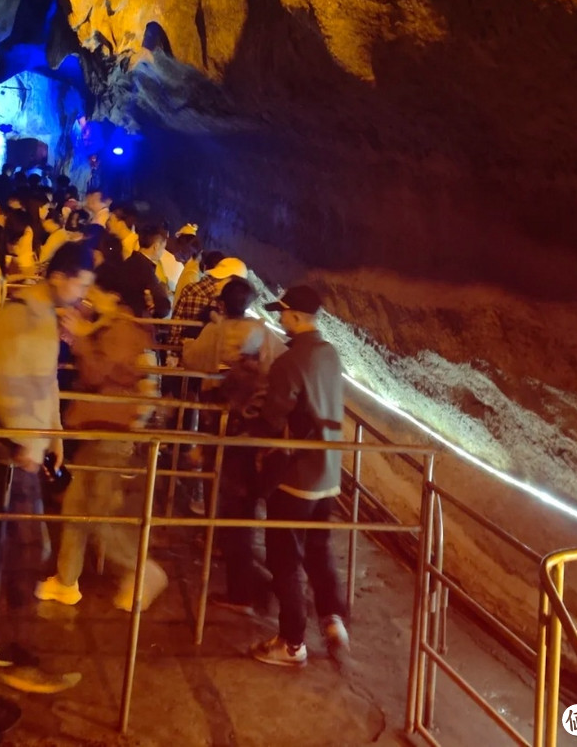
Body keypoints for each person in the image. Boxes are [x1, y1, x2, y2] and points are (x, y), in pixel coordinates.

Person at [0, 242, 96, 689]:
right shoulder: (19, 314)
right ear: (60, 276)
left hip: (27, 447)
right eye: (81, 284)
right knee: (20, 552)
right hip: (15, 451)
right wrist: (25, 441)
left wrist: (55, 438)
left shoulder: (45, 317)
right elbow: (3, 378)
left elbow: (46, 381)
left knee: (1, 546)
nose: (83, 295)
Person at [36, 260, 167, 611]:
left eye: (93, 289)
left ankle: (142, 568)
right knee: (79, 508)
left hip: (111, 434)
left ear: (112, 295)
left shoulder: (122, 330)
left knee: (97, 513)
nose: (87, 295)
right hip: (100, 429)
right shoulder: (111, 325)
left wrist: (79, 339)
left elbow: (96, 374)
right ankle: (66, 581)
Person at [249, 284, 348, 667]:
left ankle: (291, 643)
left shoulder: (288, 363)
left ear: (295, 317)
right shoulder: (330, 354)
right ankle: (333, 620)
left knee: (285, 558)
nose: (279, 319)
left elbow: (275, 416)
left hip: (296, 474)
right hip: (329, 472)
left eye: (283, 314)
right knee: (320, 551)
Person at [185, 277, 281, 612]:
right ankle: (231, 542)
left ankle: (222, 542)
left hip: (223, 422)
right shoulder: (263, 333)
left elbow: (193, 360)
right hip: (254, 433)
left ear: (223, 304)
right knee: (244, 496)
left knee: (223, 484)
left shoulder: (216, 331)